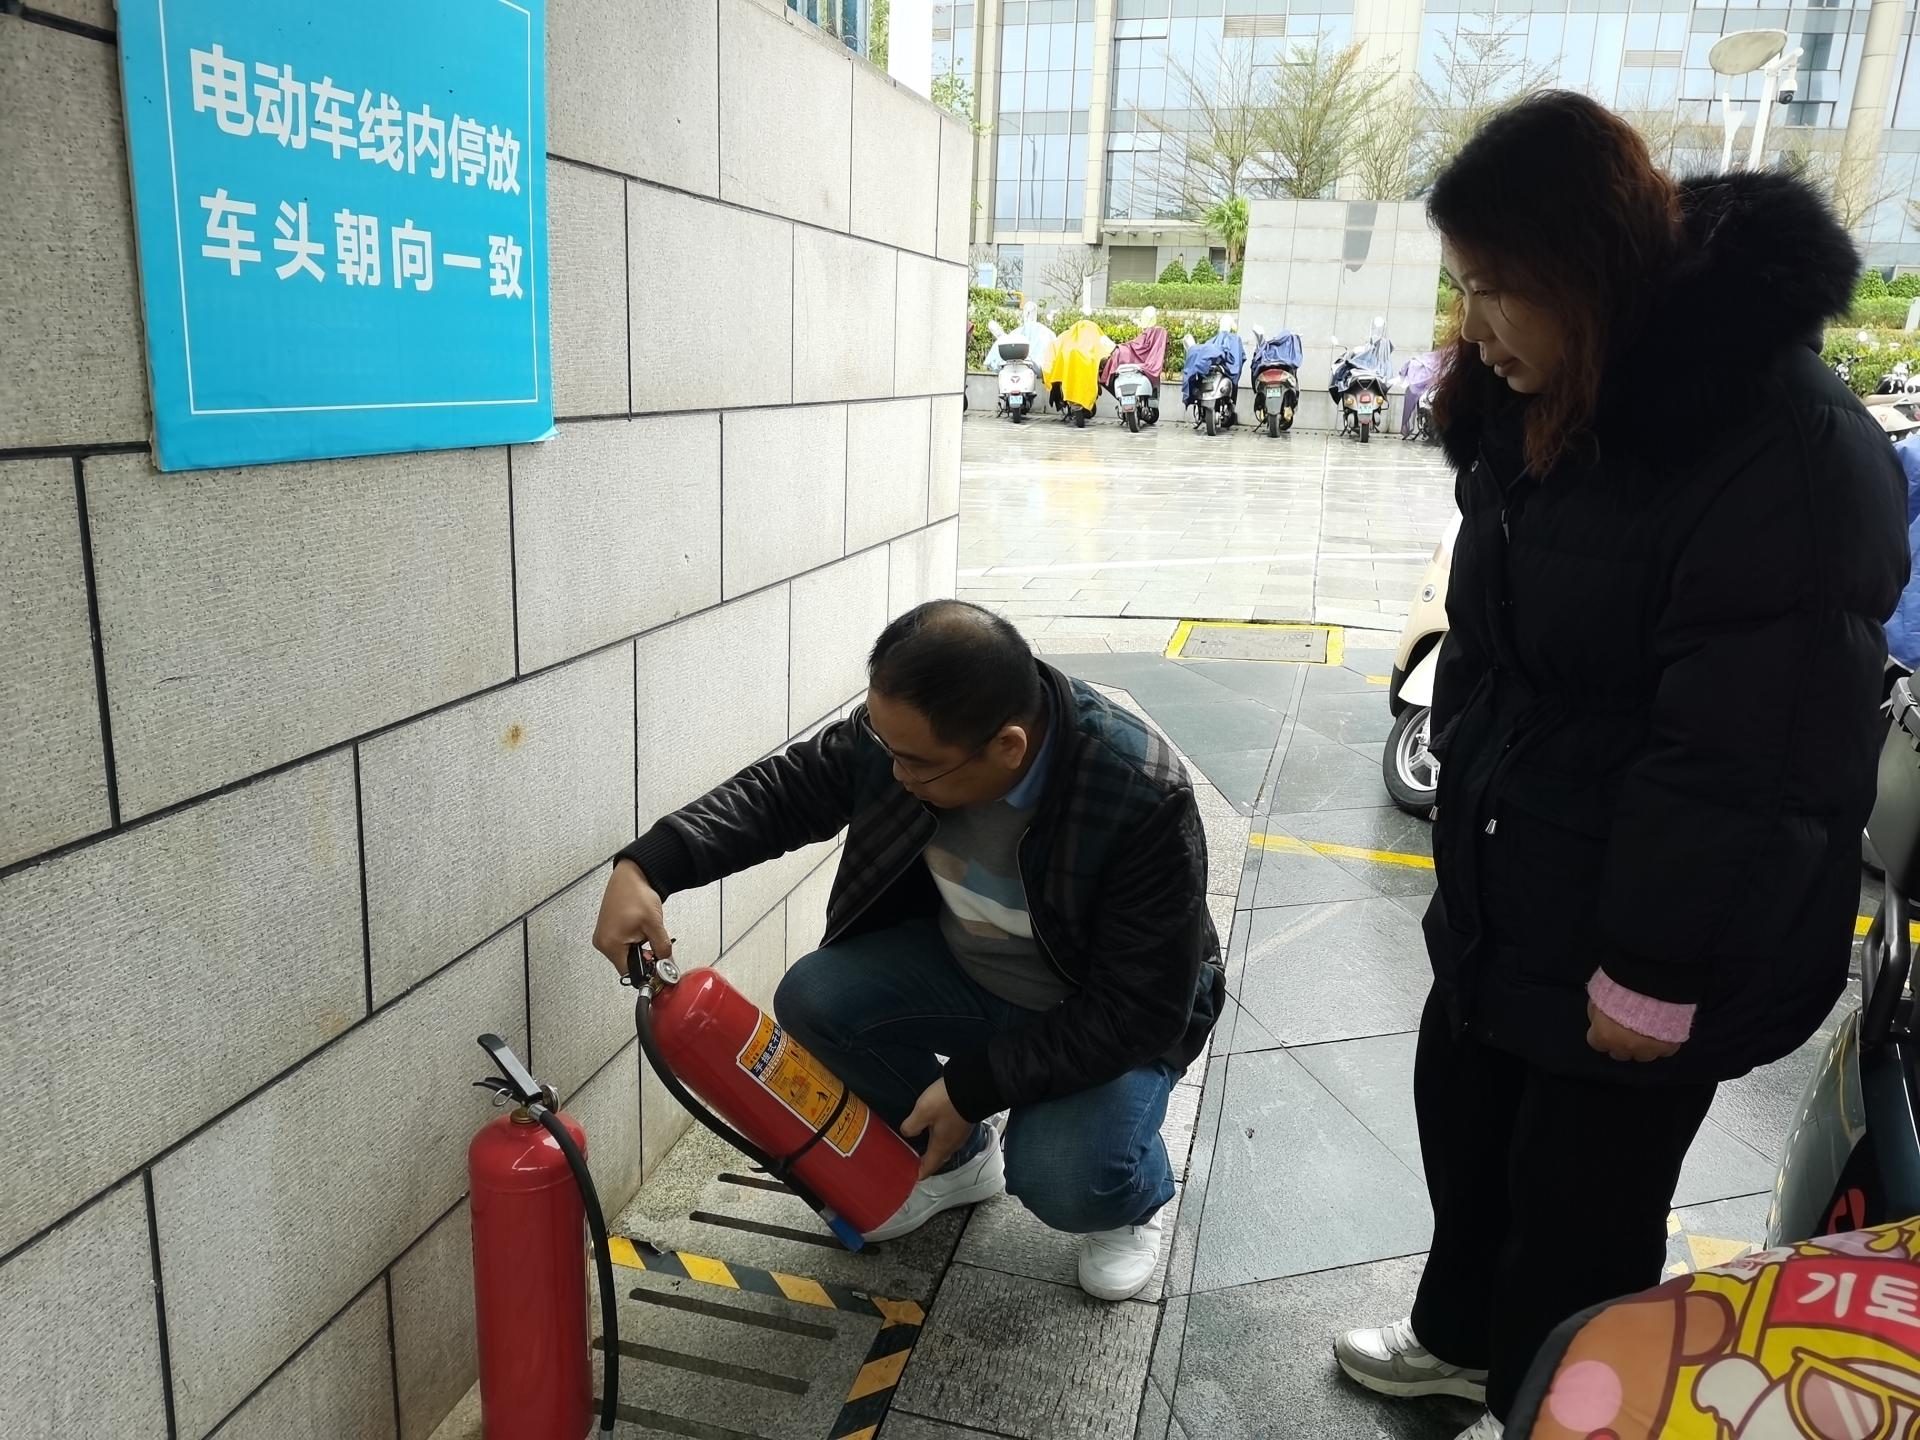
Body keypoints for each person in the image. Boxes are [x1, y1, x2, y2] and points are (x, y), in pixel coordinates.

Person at [1333, 92, 1907, 1440]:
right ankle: (1462, 1345)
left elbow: (1754, 751)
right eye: (1460, 283)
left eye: (1497, 288)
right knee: (1468, 1129)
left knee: (1581, 1208)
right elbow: (1490, 639)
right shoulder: (1547, 395)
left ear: (1588, 269)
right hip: (1517, 871)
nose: (1471, 324)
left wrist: (1654, 971)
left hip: (1655, 923)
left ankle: (1553, 1410)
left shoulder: (1782, 447)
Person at [593, 600, 1223, 1302]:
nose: (893, 772)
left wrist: (975, 1084)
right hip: (969, 974)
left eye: (916, 765)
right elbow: (788, 791)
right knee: (815, 998)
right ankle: (957, 1161)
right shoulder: (910, 739)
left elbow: (1140, 1009)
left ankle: (1128, 1207)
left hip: (1100, 1013)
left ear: (1008, 747)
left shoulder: (1139, 791)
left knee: (1064, 1176)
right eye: (885, 747)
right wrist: (649, 866)